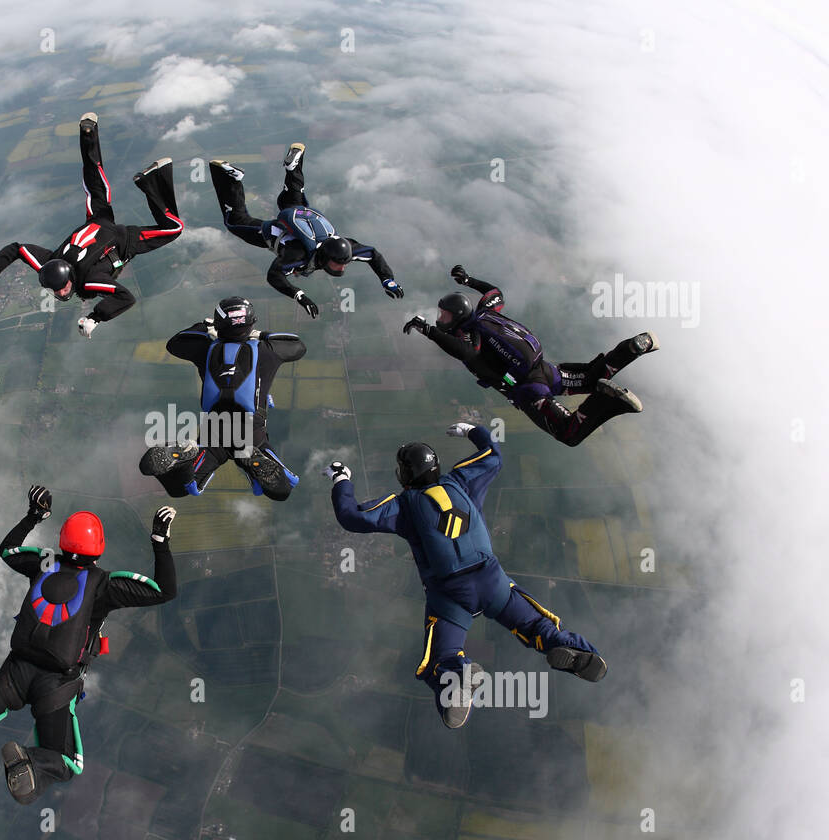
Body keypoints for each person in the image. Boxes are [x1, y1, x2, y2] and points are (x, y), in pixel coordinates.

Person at [0, 486, 178, 804]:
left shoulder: (43, 562)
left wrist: (34, 516)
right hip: (57, 684)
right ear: (99, 548)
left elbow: (7, 550)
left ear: (63, 541)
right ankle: (33, 763)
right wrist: (160, 542)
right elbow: (164, 590)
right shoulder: (104, 585)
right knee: (66, 763)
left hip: (16, 670)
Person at [327, 424, 607, 729]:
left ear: (405, 476)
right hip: (492, 580)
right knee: (537, 625)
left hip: (450, 594)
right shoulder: (462, 480)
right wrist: (473, 430)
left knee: (439, 659)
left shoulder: (403, 506)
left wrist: (341, 478)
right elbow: (493, 456)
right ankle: (570, 648)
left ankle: (457, 675)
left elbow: (352, 517)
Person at [0, 113, 184, 338]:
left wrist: (96, 317)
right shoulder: (50, 263)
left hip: (123, 240)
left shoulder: (89, 280)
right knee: (94, 177)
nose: (60, 292)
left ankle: (150, 182)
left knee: (174, 228)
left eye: (62, 287)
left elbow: (126, 298)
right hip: (98, 221)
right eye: (56, 290)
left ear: (70, 278)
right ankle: (88, 133)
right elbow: (18, 249)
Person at [403, 264, 658, 446]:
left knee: (569, 433)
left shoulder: (469, 334)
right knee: (591, 376)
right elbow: (495, 293)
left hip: (529, 390)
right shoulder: (485, 312)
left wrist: (429, 331)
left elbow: (466, 352)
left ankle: (606, 399)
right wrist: (469, 280)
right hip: (545, 370)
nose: (440, 319)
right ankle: (634, 347)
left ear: (457, 316)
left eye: (444, 316)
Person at [209, 142, 402, 318]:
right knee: (236, 220)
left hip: (301, 215)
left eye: (344, 264)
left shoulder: (346, 248)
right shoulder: (297, 255)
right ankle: (230, 178)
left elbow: (373, 254)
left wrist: (388, 280)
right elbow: (274, 275)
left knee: (292, 199)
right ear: (326, 257)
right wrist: (300, 296)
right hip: (271, 233)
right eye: (339, 264)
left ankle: (293, 167)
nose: (343, 267)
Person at [139, 296, 305, 501]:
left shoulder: (206, 349)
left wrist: (204, 326)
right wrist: (261, 335)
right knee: (282, 490)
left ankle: (184, 458)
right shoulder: (267, 351)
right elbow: (298, 346)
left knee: (180, 489)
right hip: (250, 433)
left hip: (214, 434)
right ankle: (250, 459)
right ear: (251, 323)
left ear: (219, 325)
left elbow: (175, 344)